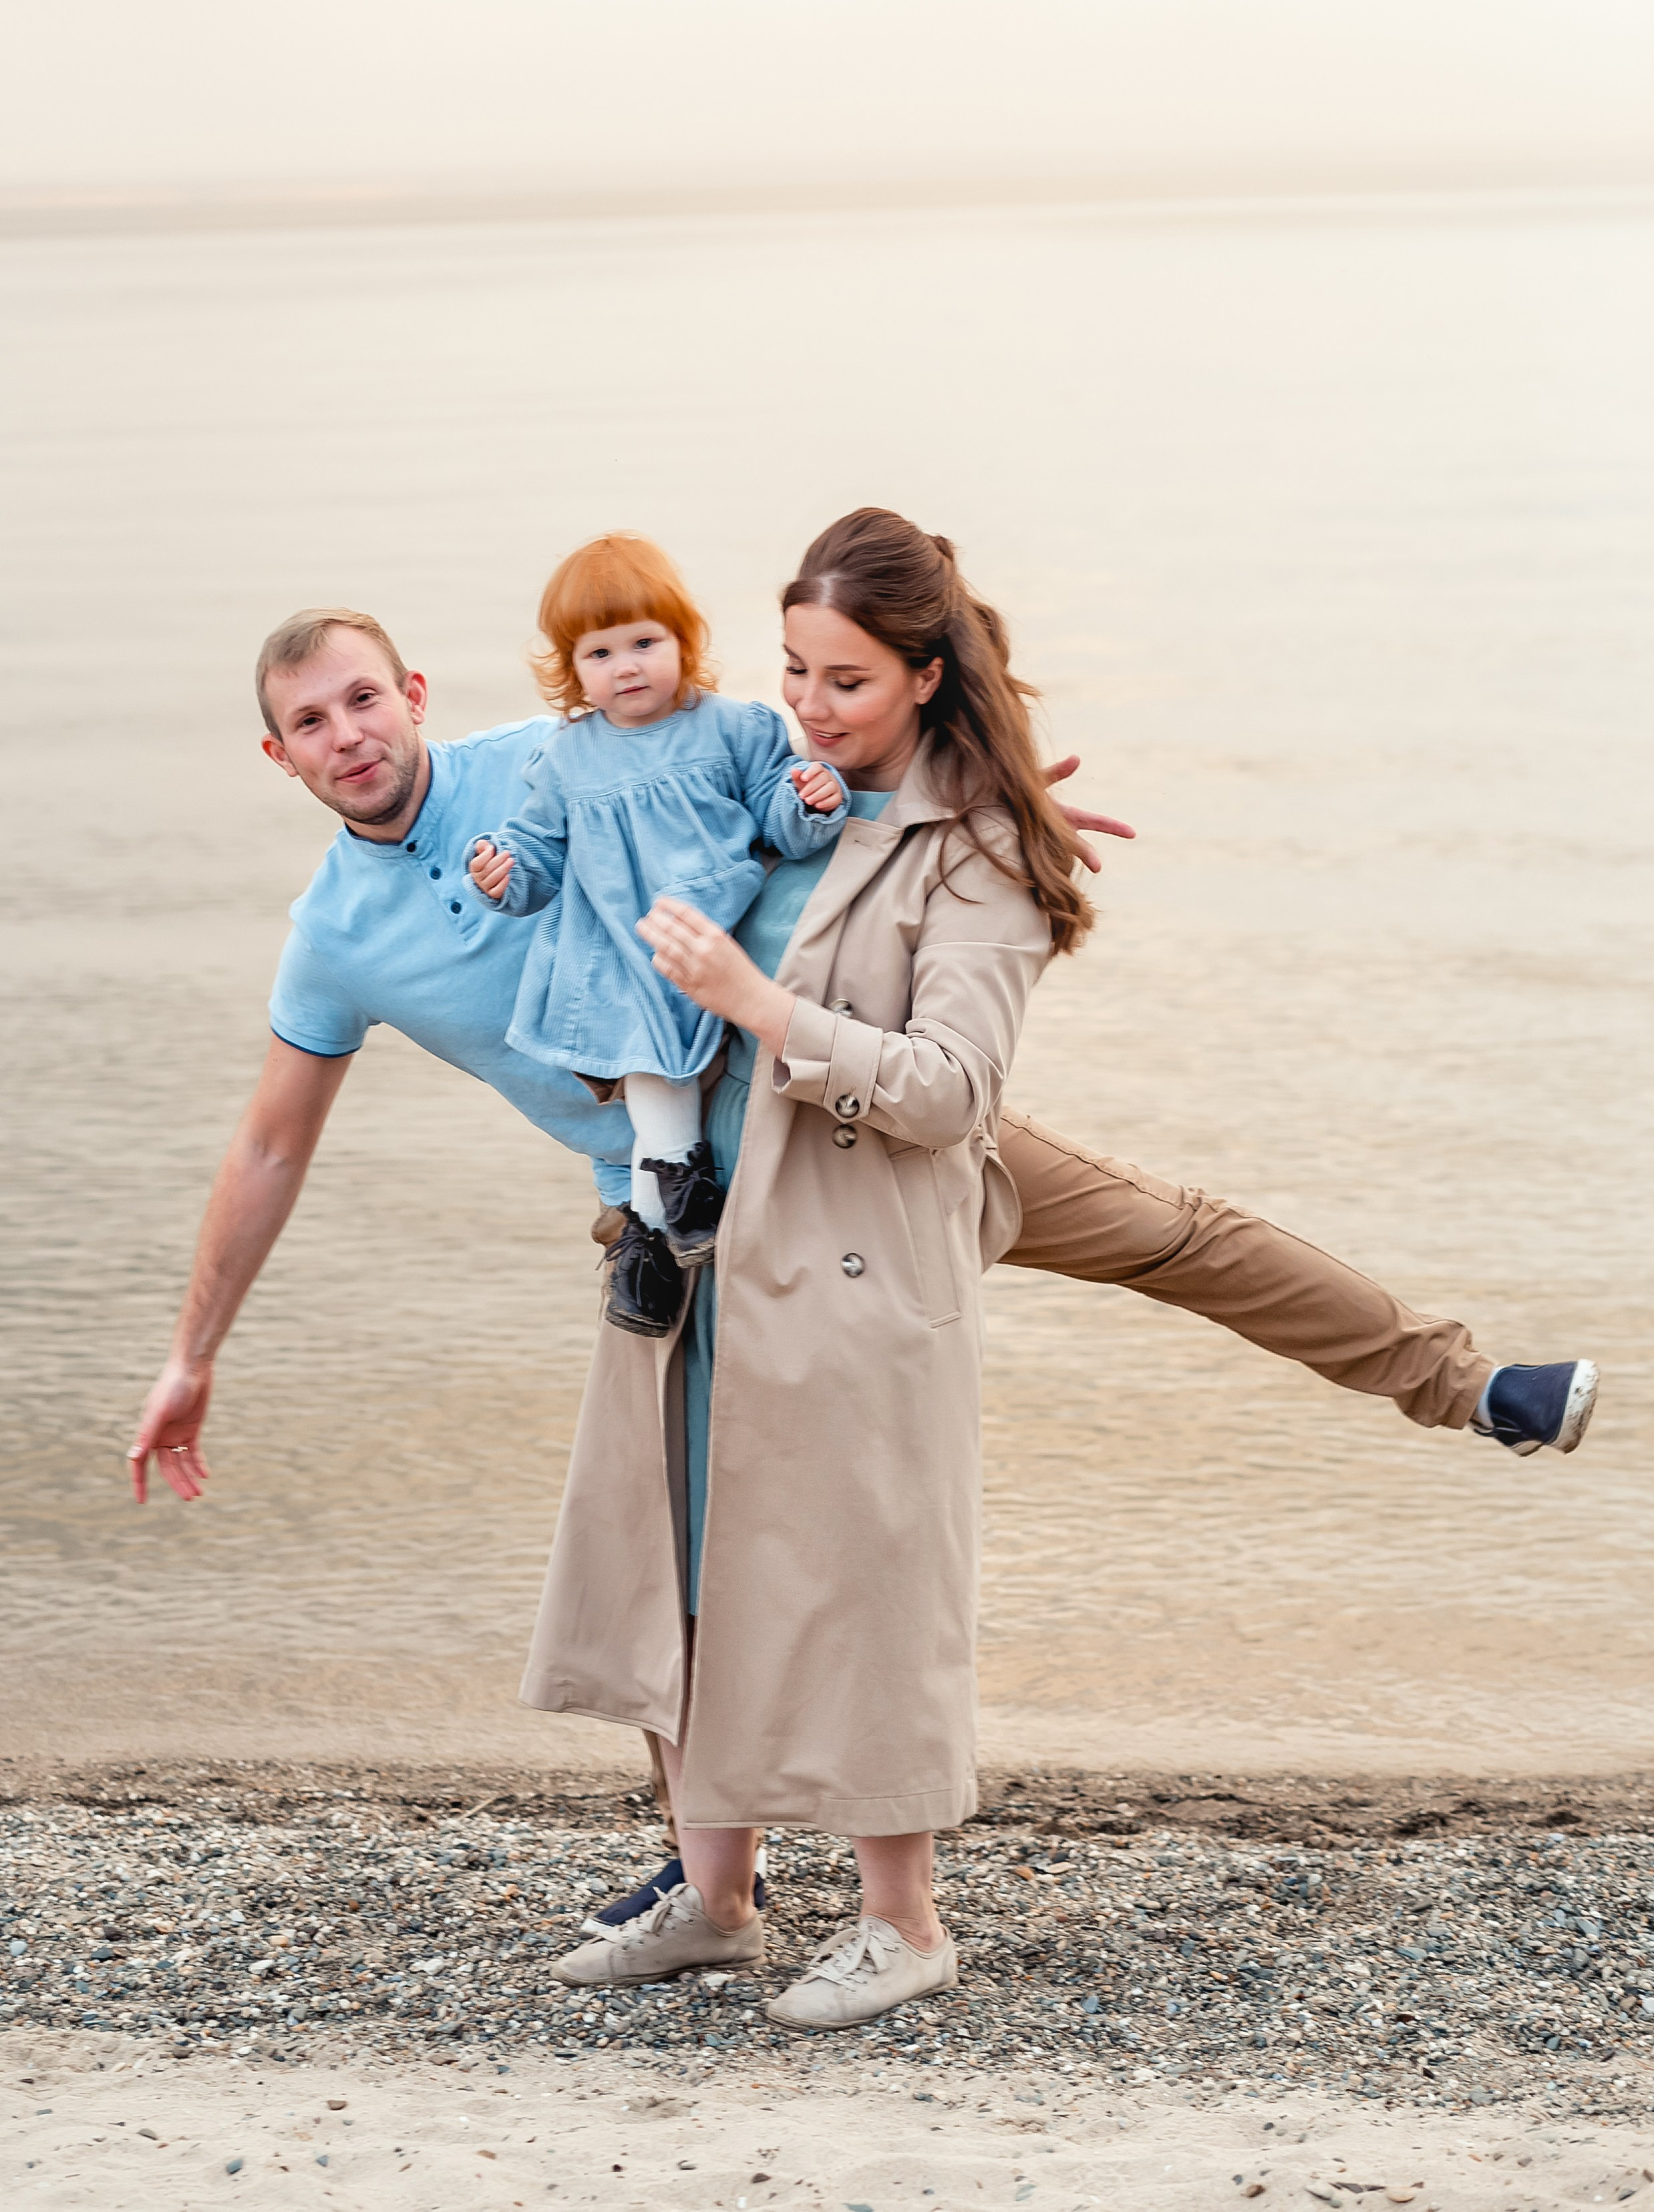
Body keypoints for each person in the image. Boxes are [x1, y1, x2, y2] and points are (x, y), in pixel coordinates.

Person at [126, 574, 1597, 1938]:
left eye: (362, 699)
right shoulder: (332, 938)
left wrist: (982, 820)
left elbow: (811, 765)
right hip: (680, 1212)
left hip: (847, 1114)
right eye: (311, 723)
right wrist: (194, 1359)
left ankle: (1466, 1386)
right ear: (282, 761)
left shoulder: (570, 745)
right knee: (667, 1516)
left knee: (1169, 1234)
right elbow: (268, 1146)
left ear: (415, 692)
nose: (348, 736)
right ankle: (713, 1861)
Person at [526, 508, 1081, 2026]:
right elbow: (604, 740)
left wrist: (762, 1008)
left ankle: (903, 1922)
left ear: (922, 670)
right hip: (709, 1252)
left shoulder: (975, 851)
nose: (809, 704)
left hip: (853, 1278)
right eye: (790, 669)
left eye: (843, 677)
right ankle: (714, 1897)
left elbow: (952, 1089)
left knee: (859, 1587)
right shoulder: (792, 794)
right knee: (688, 1573)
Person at [465, 532, 848, 1336]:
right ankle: (676, 1180)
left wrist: (812, 799)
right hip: (618, 951)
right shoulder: (568, 759)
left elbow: (780, 815)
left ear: (683, 640)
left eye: (645, 642)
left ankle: (648, 1235)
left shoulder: (733, 729)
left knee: (678, 1042)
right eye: (600, 653)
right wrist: (502, 874)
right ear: (573, 670)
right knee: (641, 1039)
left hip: (719, 933)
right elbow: (535, 855)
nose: (627, 666)